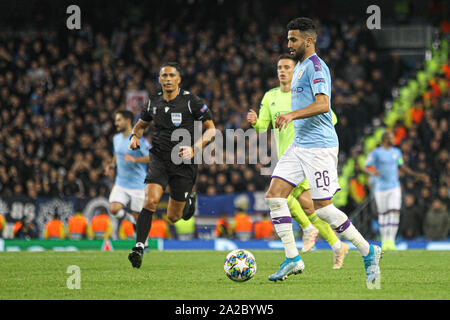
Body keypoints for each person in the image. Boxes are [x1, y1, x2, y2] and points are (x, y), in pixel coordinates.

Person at [265, 17, 382, 284]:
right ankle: (293, 258)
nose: (288, 44)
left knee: (324, 210)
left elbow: (323, 104)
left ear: (308, 41)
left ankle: (367, 250)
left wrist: (291, 115)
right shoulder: (301, 67)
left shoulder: (317, 67)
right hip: (300, 143)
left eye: (293, 39)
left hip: (319, 146)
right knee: (274, 195)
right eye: (288, 39)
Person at [247, 54, 349, 269]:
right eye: (279, 67)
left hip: (307, 154)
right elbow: (264, 125)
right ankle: (336, 244)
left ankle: (308, 230)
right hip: (285, 158)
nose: (282, 71)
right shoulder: (270, 96)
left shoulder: (304, 94)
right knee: (309, 206)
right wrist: (255, 123)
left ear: (296, 71)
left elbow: (331, 118)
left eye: (286, 67)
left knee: (282, 197)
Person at [128, 62, 216, 268]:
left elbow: (211, 130)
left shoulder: (191, 102)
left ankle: (189, 202)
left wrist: (195, 147)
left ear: (179, 80)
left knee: (173, 217)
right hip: (159, 158)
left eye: (171, 76)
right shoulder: (152, 103)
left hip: (184, 162)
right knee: (150, 201)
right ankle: (139, 247)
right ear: (159, 80)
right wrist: (134, 136)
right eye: (164, 76)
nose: (167, 79)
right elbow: (140, 126)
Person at [364, 131, 427, 250]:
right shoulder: (376, 153)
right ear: (385, 139)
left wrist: (415, 175)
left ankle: (391, 240)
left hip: (394, 187)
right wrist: (373, 172)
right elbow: (366, 166)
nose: (394, 140)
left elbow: (401, 166)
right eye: (391, 137)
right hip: (381, 188)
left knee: (394, 212)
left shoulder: (396, 152)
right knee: (383, 214)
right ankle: (384, 239)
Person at [105, 110, 151, 224]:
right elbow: (117, 154)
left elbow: (152, 157)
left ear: (128, 121)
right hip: (121, 183)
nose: (116, 123)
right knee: (113, 209)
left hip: (138, 185)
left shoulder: (139, 139)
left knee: (138, 218)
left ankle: (142, 240)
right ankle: (128, 217)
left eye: (119, 120)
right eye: (116, 120)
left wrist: (135, 159)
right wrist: (111, 165)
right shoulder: (116, 138)